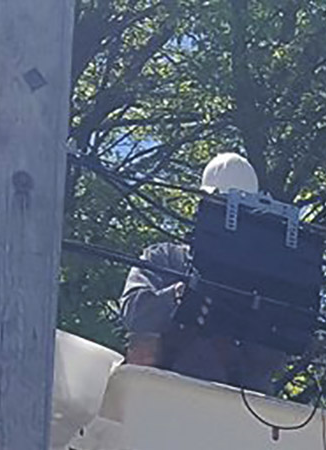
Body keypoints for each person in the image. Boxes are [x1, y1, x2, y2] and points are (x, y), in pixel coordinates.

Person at [119, 153, 286, 394]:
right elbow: (135, 312)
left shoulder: (262, 283)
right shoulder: (165, 258)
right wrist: (183, 292)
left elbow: (271, 361)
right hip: (158, 398)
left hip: (233, 409)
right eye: (220, 208)